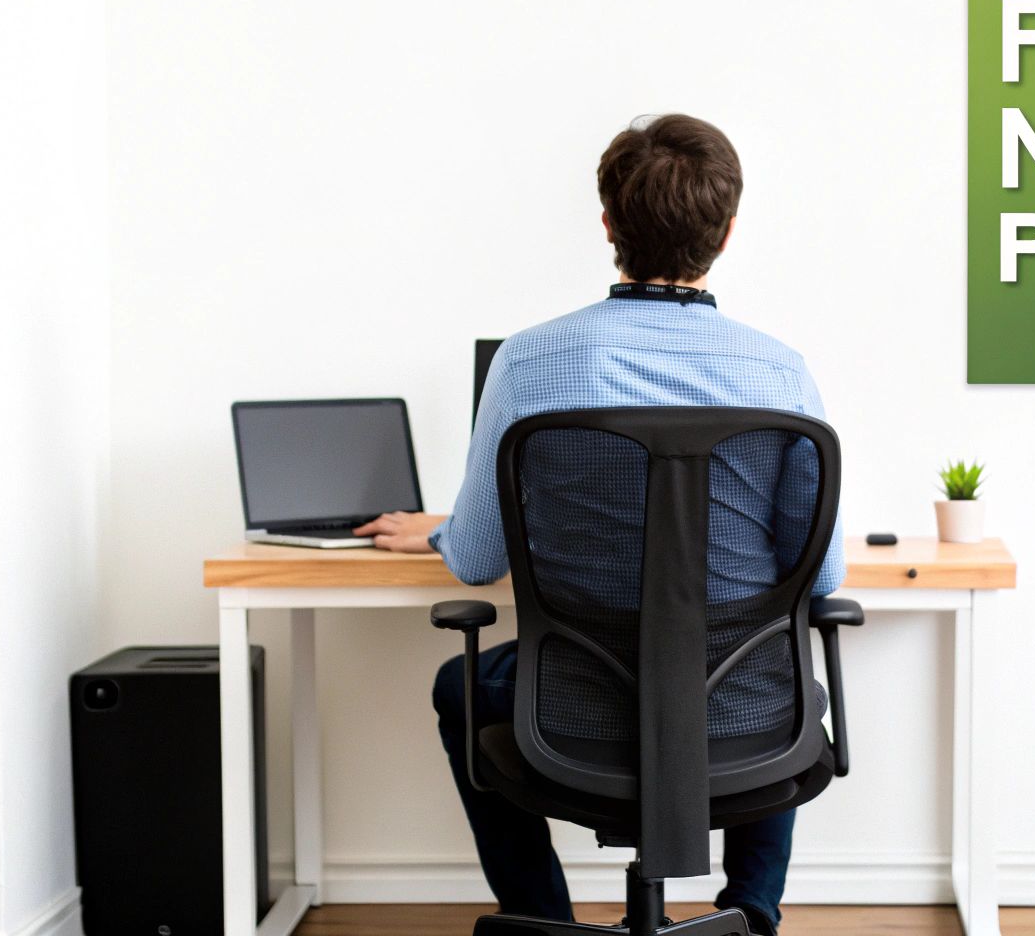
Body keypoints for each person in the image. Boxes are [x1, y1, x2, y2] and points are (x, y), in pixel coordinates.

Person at [358, 113, 844, 935]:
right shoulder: (779, 373)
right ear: (726, 232)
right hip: (736, 714)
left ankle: (539, 915)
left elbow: (475, 562)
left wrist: (442, 529)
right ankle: (751, 915)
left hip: (575, 716)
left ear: (610, 223)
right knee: (778, 660)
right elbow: (820, 578)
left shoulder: (529, 361)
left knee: (460, 686)